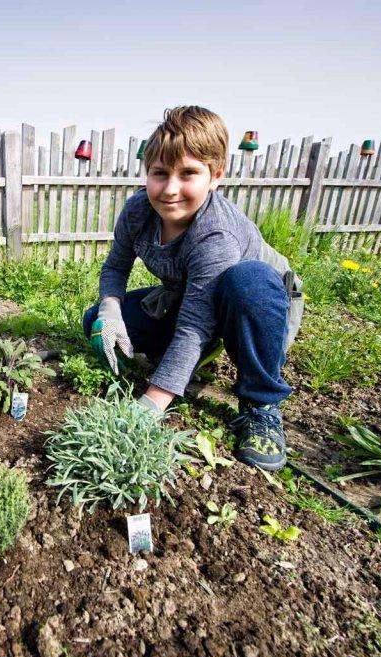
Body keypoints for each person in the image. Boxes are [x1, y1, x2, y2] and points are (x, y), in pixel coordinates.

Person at [82, 106, 303, 471]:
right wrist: (109, 308)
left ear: (216, 175)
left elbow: (194, 326)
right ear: (146, 172)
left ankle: (261, 404)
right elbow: (117, 266)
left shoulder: (215, 234)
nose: (170, 189)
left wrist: (150, 407)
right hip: (193, 298)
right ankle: (180, 364)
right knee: (95, 321)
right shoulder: (139, 211)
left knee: (248, 281)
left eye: (188, 174)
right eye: (159, 174)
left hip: (257, 307)